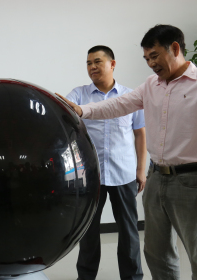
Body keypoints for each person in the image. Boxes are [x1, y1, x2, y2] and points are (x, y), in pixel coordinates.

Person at [59, 25, 197, 280]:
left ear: (175, 48)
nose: (151, 63)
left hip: (192, 181)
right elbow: (117, 105)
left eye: (154, 56)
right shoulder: (151, 85)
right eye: (146, 59)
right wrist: (82, 110)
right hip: (156, 179)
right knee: (157, 253)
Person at [67, 46, 146, 280]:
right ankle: (86, 277)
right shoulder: (78, 95)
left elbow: (140, 134)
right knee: (88, 232)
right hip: (91, 176)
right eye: (88, 63)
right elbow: (64, 112)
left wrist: (141, 169)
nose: (92, 67)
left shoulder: (130, 96)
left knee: (129, 230)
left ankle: (132, 277)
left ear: (112, 64)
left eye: (97, 61)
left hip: (124, 173)